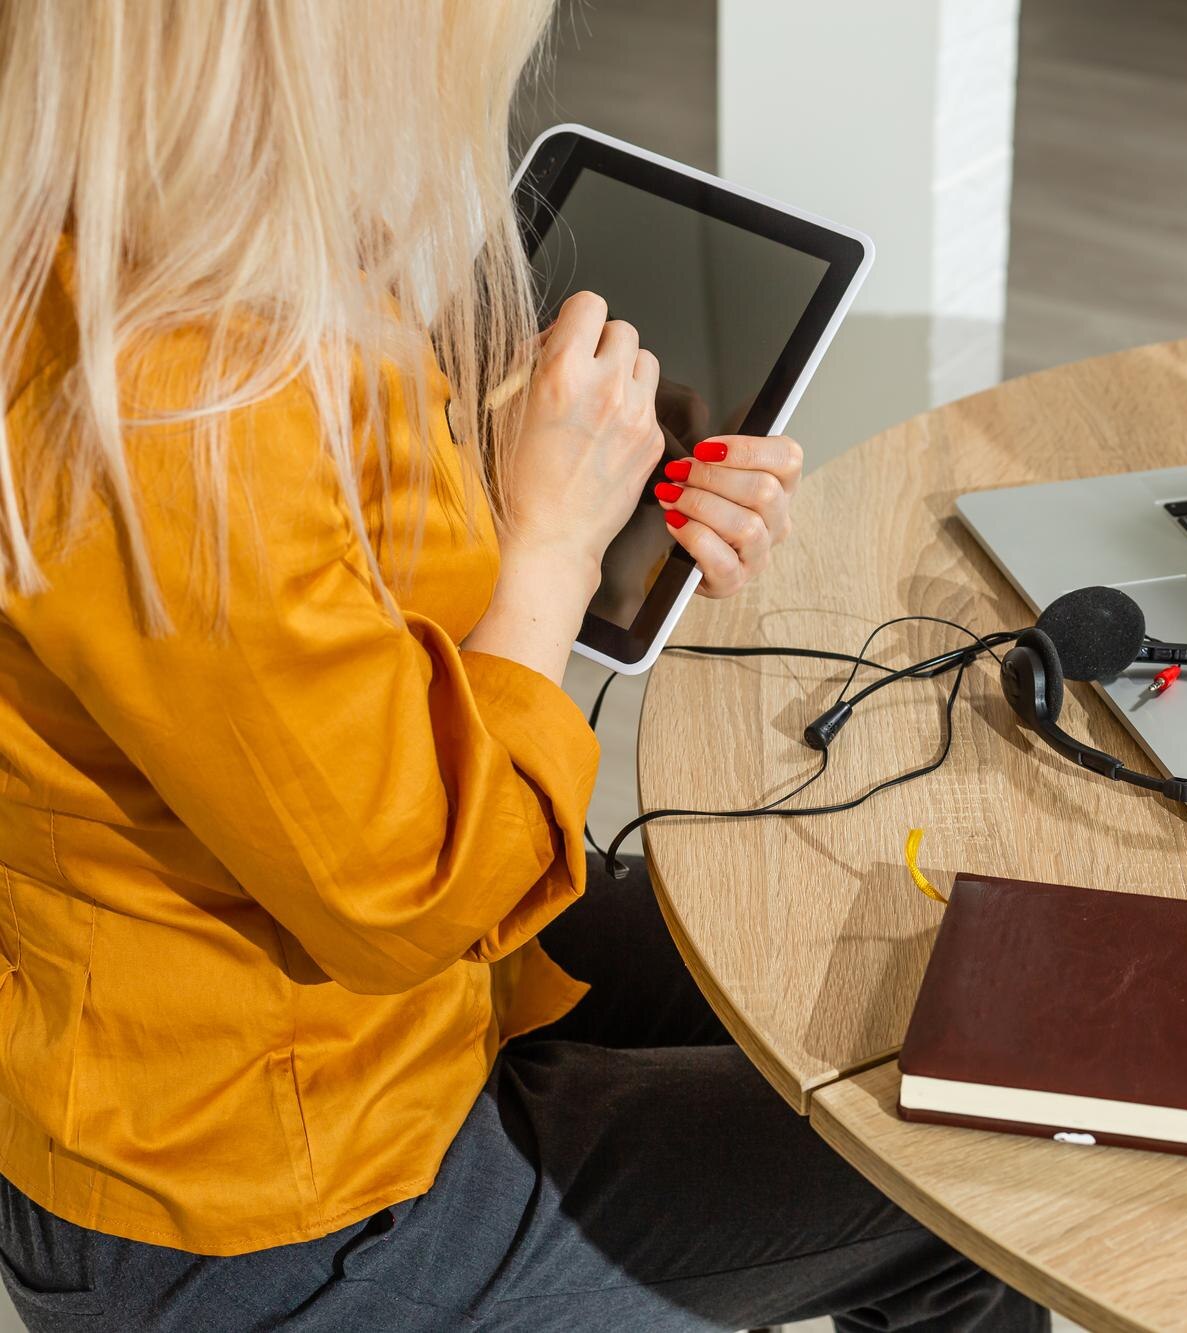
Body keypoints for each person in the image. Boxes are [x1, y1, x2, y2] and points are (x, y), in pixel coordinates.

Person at [0, 2, 1046, 1329]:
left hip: (323, 1048)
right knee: (964, 1184)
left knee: (906, 991)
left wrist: (540, 493)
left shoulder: (162, 241)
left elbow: (304, 648)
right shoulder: (182, 390)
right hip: (281, 1212)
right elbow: (417, 886)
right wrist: (552, 547)